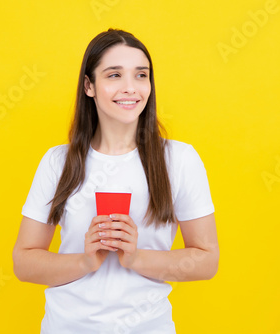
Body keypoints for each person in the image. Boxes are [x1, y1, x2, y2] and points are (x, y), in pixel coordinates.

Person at [12, 28, 219, 334]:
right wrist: (85, 261)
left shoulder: (179, 160)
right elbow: (23, 262)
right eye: (113, 75)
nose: (130, 88)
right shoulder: (58, 162)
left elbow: (206, 261)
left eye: (141, 75)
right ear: (89, 86)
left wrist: (136, 257)